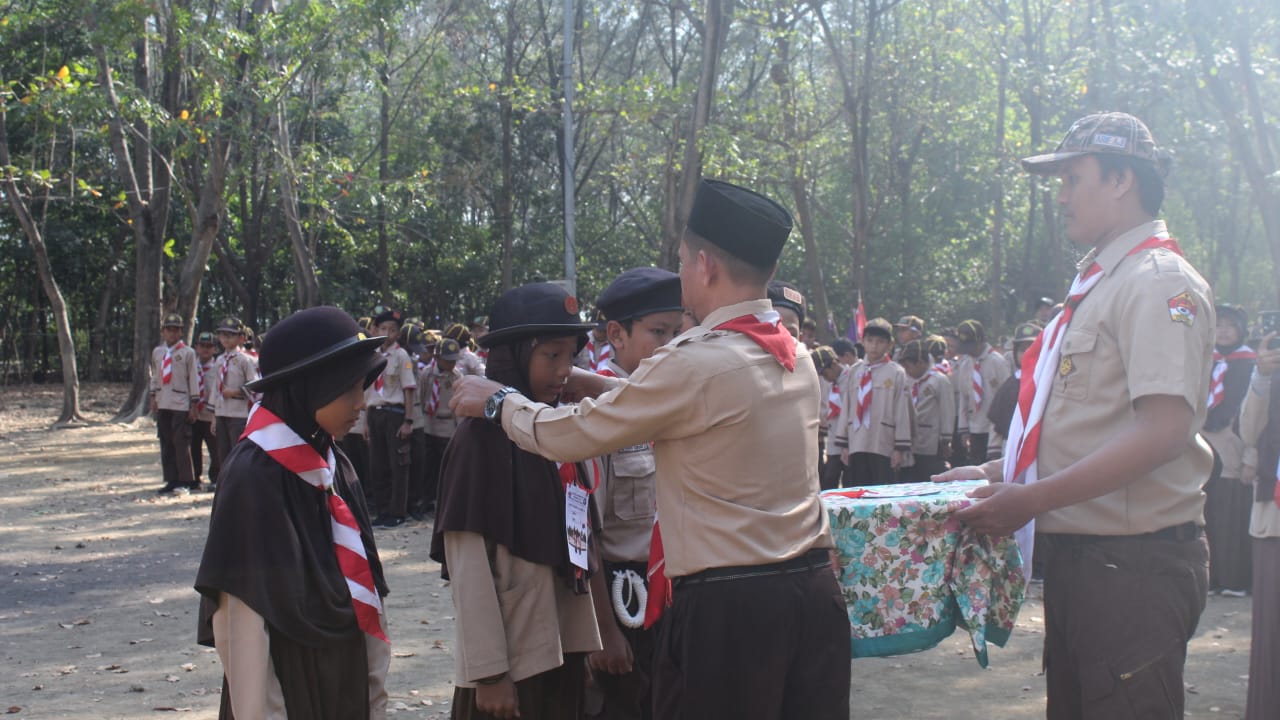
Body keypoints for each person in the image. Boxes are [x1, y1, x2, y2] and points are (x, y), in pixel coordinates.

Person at [449, 178, 850, 720]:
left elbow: (570, 435)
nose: (681, 274)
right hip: (811, 594)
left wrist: (499, 402)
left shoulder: (692, 363)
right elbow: (695, 412)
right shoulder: (793, 356)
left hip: (732, 611)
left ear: (704, 266)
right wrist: (594, 381)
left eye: (683, 261)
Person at [939, 111, 1214, 719]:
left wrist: (1031, 500)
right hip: (1093, 563)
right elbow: (1092, 426)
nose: (1060, 196)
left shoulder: (1158, 281)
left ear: (1121, 180)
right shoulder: (1102, 282)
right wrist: (997, 474)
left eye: (1073, 178)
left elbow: (1164, 429)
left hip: (1132, 567)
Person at [194, 306, 391, 720]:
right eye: (349, 389)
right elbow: (242, 626)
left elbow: (365, 585)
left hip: (344, 678)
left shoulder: (333, 463)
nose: (362, 403)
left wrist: (372, 692)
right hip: (287, 690)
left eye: (364, 386)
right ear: (311, 388)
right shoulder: (254, 477)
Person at [430, 282, 603, 720]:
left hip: (558, 651)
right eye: (551, 356)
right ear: (514, 355)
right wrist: (489, 673)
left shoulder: (553, 427)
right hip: (511, 661)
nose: (565, 370)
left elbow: (577, 541)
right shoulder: (478, 438)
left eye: (571, 356)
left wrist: (579, 643)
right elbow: (468, 564)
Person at [585, 267, 683, 720]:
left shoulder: (674, 398)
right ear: (616, 334)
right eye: (657, 332)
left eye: (677, 332)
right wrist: (603, 627)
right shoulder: (595, 413)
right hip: (625, 591)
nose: (670, 345)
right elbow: (581, 533)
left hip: (673, 583)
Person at [1202, 303, 1257, 596]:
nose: (1223, 332)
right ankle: (1209, 578)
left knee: (1230, 517)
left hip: (1233, 447)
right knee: (1205, 514)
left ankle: (1233, 579)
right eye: (1219, 325)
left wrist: (1251, 457)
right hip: (1202, 444)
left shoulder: (1252, 365)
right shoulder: (1202, 361)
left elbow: (1259, 417)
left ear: (1240, 331)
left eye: (1230, 326)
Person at [1239, 331, 1280, 720]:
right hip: (1275, 517)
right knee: (1274, 631)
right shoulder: (1270, 378)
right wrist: (1263, 378)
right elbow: (1248, 432)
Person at [832, 317, 912, 486]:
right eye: (870, 340)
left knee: (883, 492)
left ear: (889, 345)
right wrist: (844, 444)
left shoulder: (896, 373)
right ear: (862, 342)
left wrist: (899, 447)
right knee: (858, 489)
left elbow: (902, 411)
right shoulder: (854, 372)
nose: (874, 346)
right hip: (857, 441)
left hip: (883, 441)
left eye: (880, 341)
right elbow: (847, 407)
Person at [365, 306, 417, 528]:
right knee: (378, 465)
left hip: (394, 414)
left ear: (398, 333)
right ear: (375, 329)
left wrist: (408, 420)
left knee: (398, 464)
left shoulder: (401, 355)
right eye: (383, 328)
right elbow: (368, 391)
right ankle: (383, 510)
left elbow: (408, 388)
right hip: (374, 413)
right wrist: (366, 422)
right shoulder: (372, 355)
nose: (387, 333)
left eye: (392, 329)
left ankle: (398, 512)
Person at [150, 312, 200, 495]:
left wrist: (194, 403)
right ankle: (171, 478)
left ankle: (185, 480)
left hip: (180, 402)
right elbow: (155, 375)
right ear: (163, 332)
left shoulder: (187, 353)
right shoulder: (158, 352)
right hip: (163, 401)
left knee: (181, 442)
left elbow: (193, 378)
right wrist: (152, 396)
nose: (172, 334)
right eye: (168, 330)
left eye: (175, 330)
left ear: (180, 332)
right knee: (166, 442)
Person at [953, 319, 1011, 466]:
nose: (969, 351)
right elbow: (964, 399)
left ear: (981, 341)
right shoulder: (965, 364)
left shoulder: (998, 362)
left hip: (994, 428)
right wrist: (963, 429)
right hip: (974, 427)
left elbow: (1006, 399)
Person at [417, 337, 464, 517]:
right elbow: (421, 397)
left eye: (454, 361)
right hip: (429, 424)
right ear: (437, 358)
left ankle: (442, 500)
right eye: (447, 360)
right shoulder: (427, 374)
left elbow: (459, 405)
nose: (451, 364)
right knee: (428, 466)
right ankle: (426, 499)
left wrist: (458, 428)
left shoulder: (457, 377)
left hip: (447, 427)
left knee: (446, 466)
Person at [899, 338, 955, 483]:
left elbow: (947, 410)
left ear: (921, 363)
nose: (907, 370)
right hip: (913, 441)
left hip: (932, 440)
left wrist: (946, 439)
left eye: (909, 366)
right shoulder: (907, 380)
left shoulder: (939, 380)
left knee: (931, 475)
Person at [212, 316, 258, 472]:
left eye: (230, 335)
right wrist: (213, 415)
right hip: (221, 411)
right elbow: (215, 387)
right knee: (222, 450)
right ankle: (224, 481)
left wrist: (236, 391)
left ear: (241, 338)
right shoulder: (219, 360)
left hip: (239, 412)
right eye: (222, 335)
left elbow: (255, 385)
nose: (225, 338)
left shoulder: (245, 360)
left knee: (237, 449)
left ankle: (239, 481)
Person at [191, 331, 220, 491]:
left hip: (211, 415)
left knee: (215, 449)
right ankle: (195, 478)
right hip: (194, 414)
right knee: (194, 447)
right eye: (202, 346)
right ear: (196, 347)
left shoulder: (218, 367)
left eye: (209, 346)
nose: (205, 349)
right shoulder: (191, 366)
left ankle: (215, 477)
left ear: (215, 349)